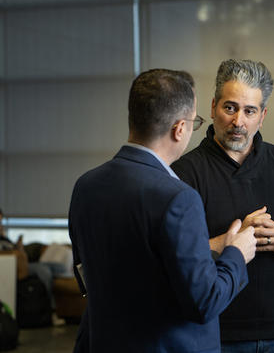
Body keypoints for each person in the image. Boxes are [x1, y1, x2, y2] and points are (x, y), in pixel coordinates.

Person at [68, 69, 257, 353]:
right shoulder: (178, 198)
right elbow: (204, 303)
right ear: (180, 129)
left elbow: (88, 274)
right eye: (194, 123)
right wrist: (236, 253)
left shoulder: (86, 185)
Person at [171, 59, 274, 353]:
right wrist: (233, 242)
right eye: (230, 108)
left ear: (263, 116)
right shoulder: (184, 173)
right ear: (212, 108)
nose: (238, 122)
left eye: (250, 111)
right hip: (214, 333)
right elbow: (174, 259)